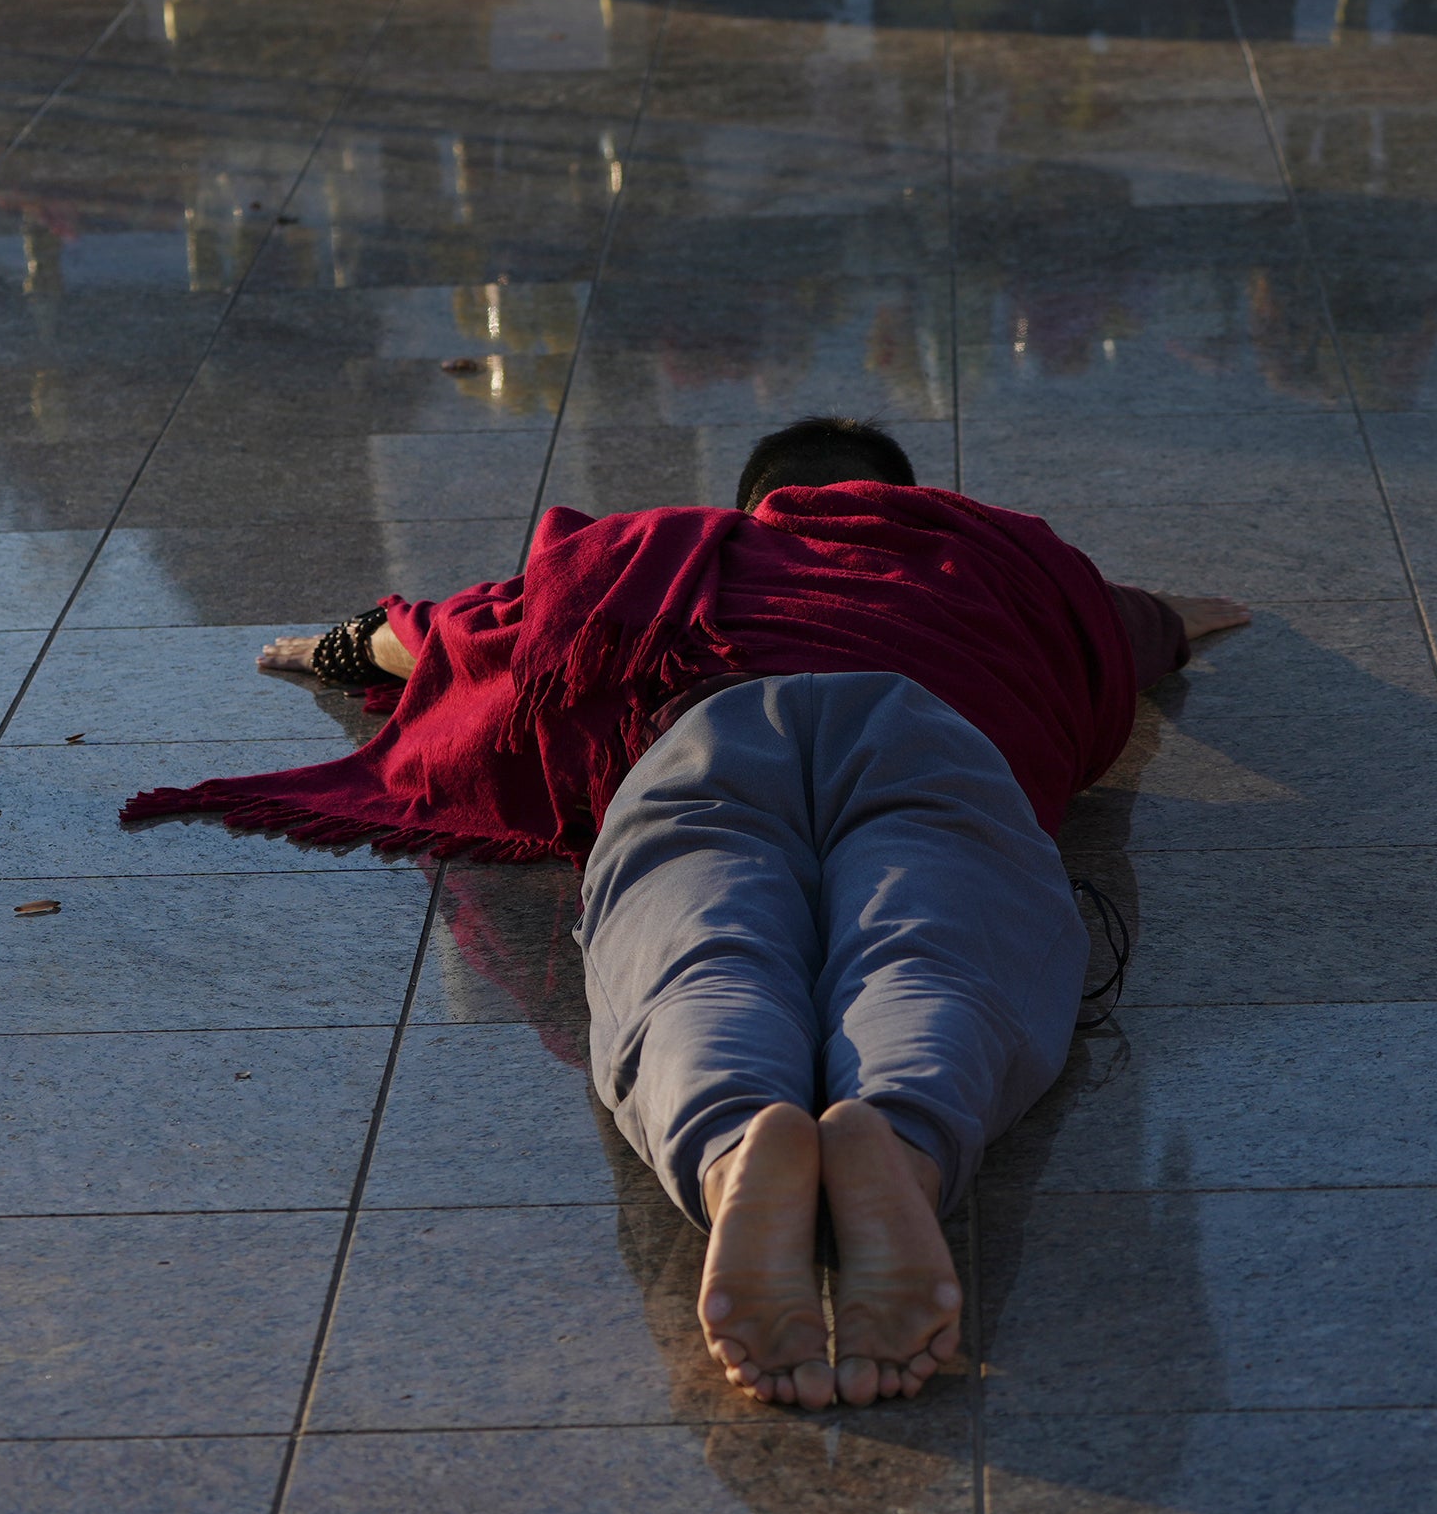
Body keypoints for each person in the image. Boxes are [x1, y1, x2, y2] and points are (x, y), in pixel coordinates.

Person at [124, 418, 1244, 1411]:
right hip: (930, 730)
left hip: (702, 738)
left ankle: (732, 1146)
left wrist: (319, 646)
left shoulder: (654, 554)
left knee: (697, 957)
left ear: (748, 501)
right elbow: (1137, 624)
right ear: (901, 493)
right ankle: (896, 1141)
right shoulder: (984, 553)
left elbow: (444, 632)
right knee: (939, 945)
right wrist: (1193, 618)